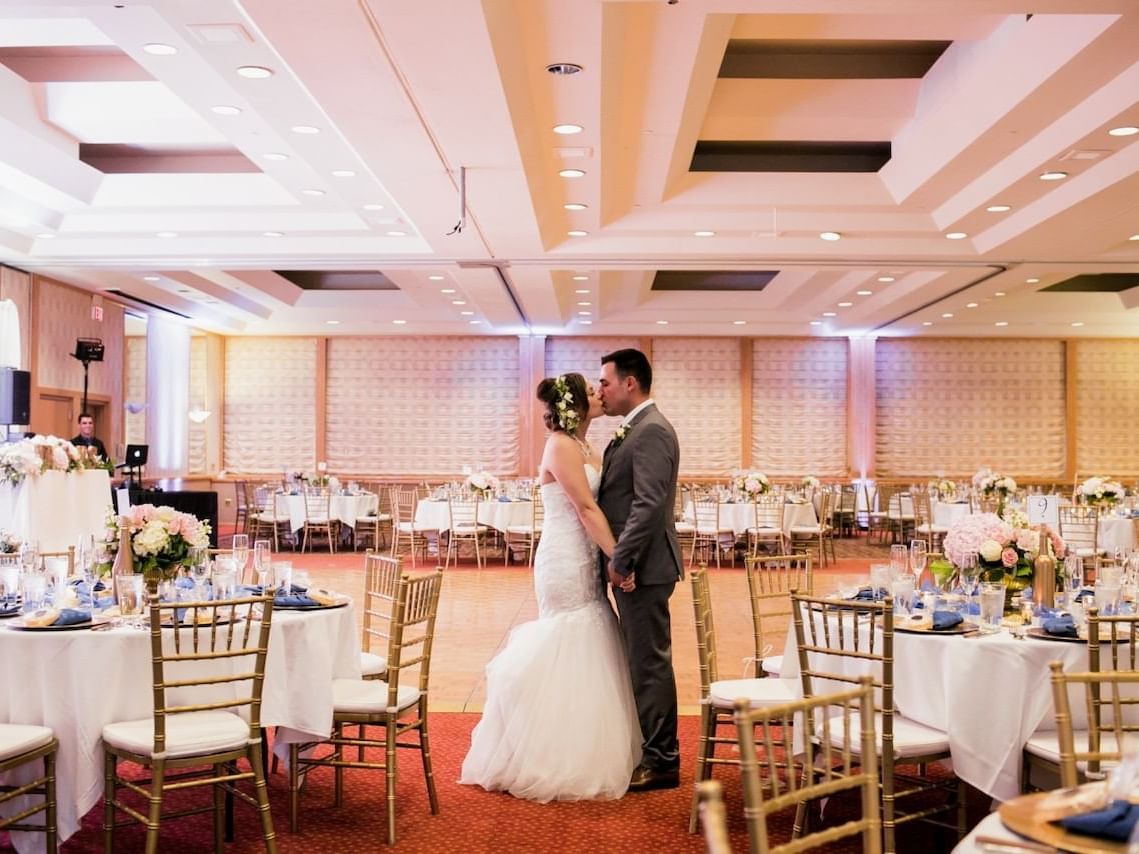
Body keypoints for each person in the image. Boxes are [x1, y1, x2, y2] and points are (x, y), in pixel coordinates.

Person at [460, 373, 641, 801]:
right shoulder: (560, 445)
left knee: (593, 630)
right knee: (570, 634)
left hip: (585, 555)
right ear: (576, 405)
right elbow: (583, 507)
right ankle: (547, 753)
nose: (599, 394)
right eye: (592, 391)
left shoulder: (584, 445)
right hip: (563, 557)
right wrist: (618, 557)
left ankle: (585, 741)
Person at [596, 348, 683, 792]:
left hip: (643, 568)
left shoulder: (650, 431)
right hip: (638, 565)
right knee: (642, 660)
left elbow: (648, 505)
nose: (600, 391)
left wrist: (621, 559)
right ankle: (653, 748)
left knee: (649, 664)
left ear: (631, 383)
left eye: (606, 382)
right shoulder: (637, 428)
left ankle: (663, 760)